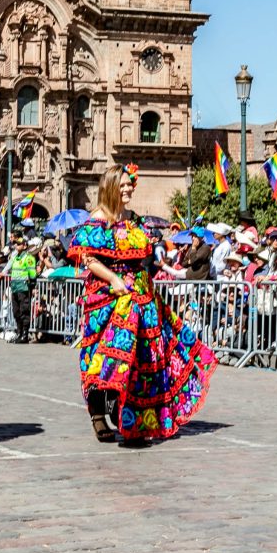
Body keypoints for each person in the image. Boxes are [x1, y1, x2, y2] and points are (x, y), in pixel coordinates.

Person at [70, 164, 214, 445]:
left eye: (129, 185)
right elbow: (88, 258)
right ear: (110, 186)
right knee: (106, 359)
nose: (127, 189)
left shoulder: (133, 220)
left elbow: (146, 255)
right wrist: (113, 278)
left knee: (141, 359)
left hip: (140, 295)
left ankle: (134, 423)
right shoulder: (98, 219)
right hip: (107, 298)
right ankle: (99, 412)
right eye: (122, 185)